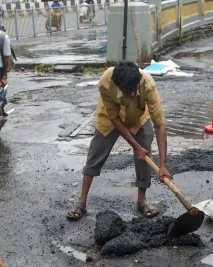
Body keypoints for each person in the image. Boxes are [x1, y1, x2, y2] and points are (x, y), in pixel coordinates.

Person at [67, 60, 171, 220]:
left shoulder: (147, 83)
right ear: (117, 85)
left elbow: (159, 125)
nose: (132, 93)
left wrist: (163, 165)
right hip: (110, 118)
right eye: (128, 90)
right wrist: (135, 147)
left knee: (145, 151)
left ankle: (142, 200)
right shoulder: (106, 83)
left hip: (137, 115)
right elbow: (115, 119)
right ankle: (82, 202)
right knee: (96, 153)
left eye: (135, 89)